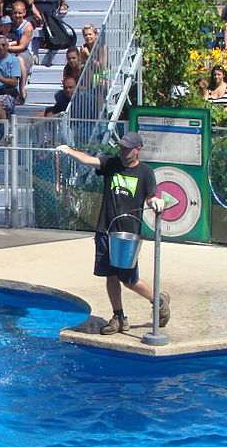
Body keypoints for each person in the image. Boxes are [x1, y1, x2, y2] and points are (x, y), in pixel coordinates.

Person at [55, 132, 170, 334]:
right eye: (121, 147)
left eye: (127, 148)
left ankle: (158, 299)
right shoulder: (111, 164)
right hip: (106, 229)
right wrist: (69, 151)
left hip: (128, 233)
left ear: (138, 150)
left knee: (129, 279)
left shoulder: (145, 172)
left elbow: (150, 197)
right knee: (110, 276)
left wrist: (156, 203)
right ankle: (118, 316)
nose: (123, 151)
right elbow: (89, 160)